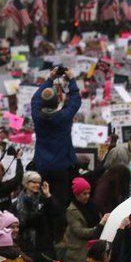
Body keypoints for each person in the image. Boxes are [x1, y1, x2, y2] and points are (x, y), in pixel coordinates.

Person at [31, 66, 82, 208]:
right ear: (57, 102)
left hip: (42, 166)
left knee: (43, 202)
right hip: (61, 167)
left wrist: (50, 79)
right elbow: (75, 101)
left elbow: (35, 99)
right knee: (60, 203)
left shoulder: (37, 116)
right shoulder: (64, 117)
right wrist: (72, 79)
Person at [59, 177, 108, 262]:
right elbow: (80, 232)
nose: (87, 196)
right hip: (77, 256)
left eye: (88, 193)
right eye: (84, 193)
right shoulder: (72, 210)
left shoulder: (92, 207)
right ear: (76, 194)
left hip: (90, 253)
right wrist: (99, 227)